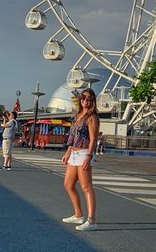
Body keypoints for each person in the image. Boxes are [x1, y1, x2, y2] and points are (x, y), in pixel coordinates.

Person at [61, 89, 99, 231]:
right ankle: (78, 214)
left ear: (92, 101)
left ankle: (91, 220)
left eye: (89, 98)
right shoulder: (78, 115)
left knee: (86, 187)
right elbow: (72, 137)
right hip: (74, 153)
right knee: (68, 184)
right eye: (83, 97)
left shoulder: (92, 117)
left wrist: (88, 157)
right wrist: (68, 152)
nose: (85, 100)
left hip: (84, 153)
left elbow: (93, 138)